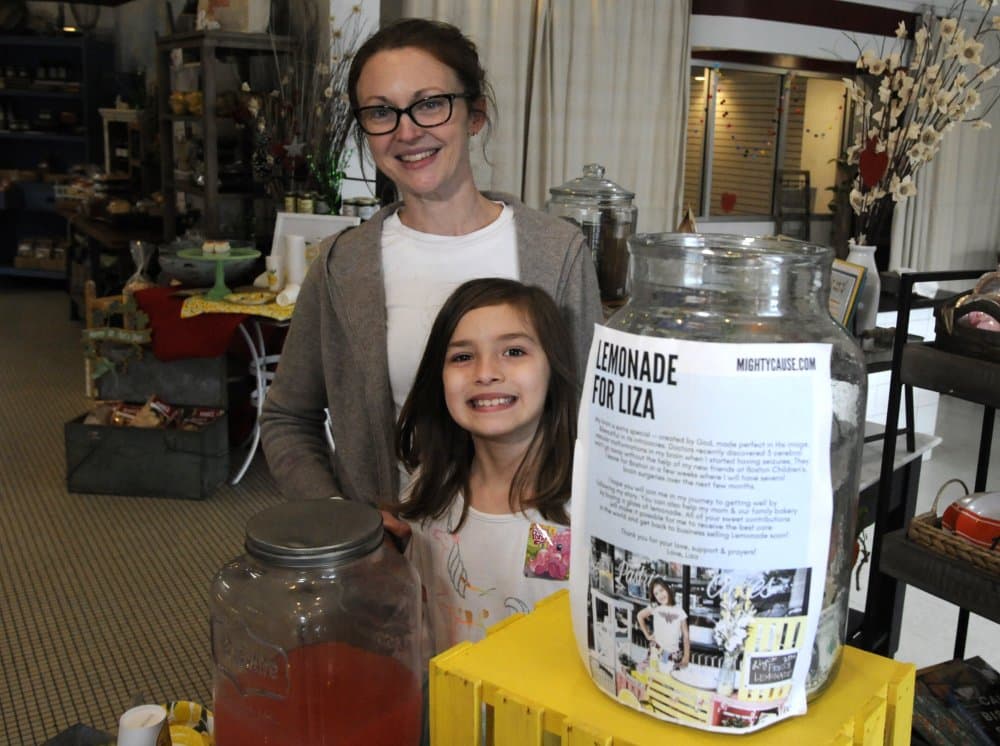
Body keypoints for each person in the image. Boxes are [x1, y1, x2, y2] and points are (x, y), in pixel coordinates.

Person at [260, 17, 602, 504]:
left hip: (533, 550)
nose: (407, 131)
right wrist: (342, 521)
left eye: (430, 104)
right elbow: (287, 418)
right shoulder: (342, 267)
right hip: (393, 554)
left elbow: (597, 417)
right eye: (381, 113)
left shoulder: (556, 252)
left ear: (475, 113)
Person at [391, 278, 577, 656]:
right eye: (462, 356)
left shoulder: (564, 519)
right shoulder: (429, 492)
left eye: (513, 351)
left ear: (552, 368)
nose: (485, 372)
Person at [637, 578, 691, 670]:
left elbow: (686, 636)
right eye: (656, 594)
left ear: (667, 589)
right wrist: (647, 636)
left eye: (661, 590)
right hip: (656, 650)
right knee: (652, 677)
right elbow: (640, 616)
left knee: (668, 679)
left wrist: (686, 656)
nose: (660, 595)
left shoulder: (679, 610)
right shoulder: (655, 606)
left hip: (672, 653)